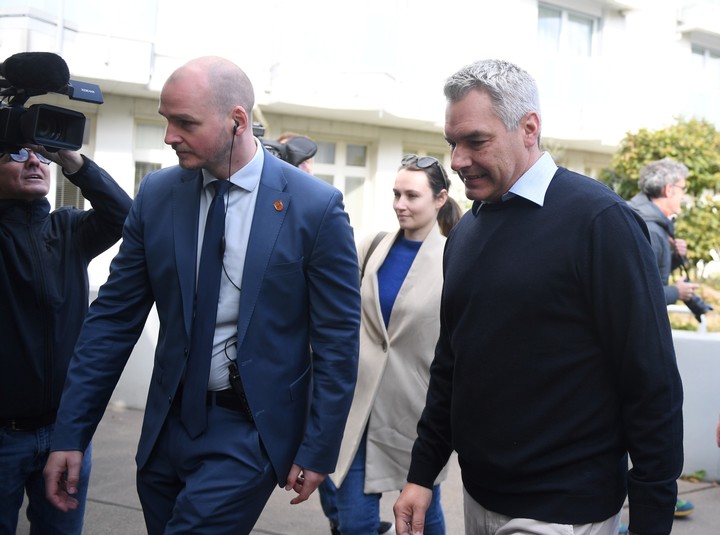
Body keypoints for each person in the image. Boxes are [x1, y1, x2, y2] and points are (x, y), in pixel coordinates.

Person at [43, 56, 361, 534]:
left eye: (184, 123)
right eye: (166, 120)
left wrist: (319, 447)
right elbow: (112, 320)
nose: (169, 135)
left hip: (249, 432)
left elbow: (338, 340)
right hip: (164, 430)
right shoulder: (156, 194)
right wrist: (71, 433)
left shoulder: (314, 207)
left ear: (236, 121)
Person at [393, 59, 684, 535]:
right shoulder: (467, 230)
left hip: (565, 511)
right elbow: (451, 361)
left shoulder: (600, 222)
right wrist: (422, 474)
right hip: (478, 497)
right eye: (452, 143)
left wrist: (652, 519)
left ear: (529, 128)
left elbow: (650, 379)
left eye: (475, 141)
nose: (458, 160)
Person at [319, 155, 462, 535]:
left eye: (411, 196)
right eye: (396, 194)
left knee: (419, 512)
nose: (400, 204)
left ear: (440, 198)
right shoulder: (373, 246)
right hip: (358, 406)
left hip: (414, 410)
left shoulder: (455, 258)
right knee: (353, 520)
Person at [0, 146, 131, 534]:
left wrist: (74, 162)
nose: (34, 162)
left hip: (66, 434)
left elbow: (126, 216)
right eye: (14, 154)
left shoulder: (69, 229)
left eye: (40, 157)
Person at [627, 158, 696, 518]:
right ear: (668, 190)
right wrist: (678, 292)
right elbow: (643, 289)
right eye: (683, 189)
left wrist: (672, 253)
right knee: (652, 419)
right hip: (638, 340)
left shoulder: (650, 223)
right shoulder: (648, 227)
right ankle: (656, 500)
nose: (685, 197)